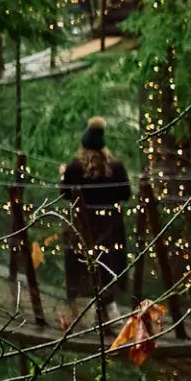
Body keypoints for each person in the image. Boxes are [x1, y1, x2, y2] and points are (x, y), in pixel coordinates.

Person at [58, 119, 131, 316]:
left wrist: (63, 176)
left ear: (83, 146)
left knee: (78, 257)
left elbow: (65, 194)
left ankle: (76, 306)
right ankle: (110, 307)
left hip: (83, 230)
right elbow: (126, 194)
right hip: (110, 231)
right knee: (107, 262)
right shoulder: (116, 167)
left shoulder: (74, 168)